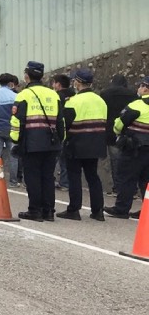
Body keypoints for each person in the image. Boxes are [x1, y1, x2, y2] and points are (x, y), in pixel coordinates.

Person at [10, 61, 64, 221]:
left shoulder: (23, 95)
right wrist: (61, 140)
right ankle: (49, 211)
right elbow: (61, 121)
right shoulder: (54, 94)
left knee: (32, 176)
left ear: (26, 76)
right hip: (52, 142)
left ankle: (35, 210)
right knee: (48, 177)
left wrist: (16, 140)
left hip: (31, 142)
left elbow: (16, 121)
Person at [58, 69, 107, 221]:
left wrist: (62, 140)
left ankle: (74, 209)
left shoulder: (73, 101)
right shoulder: (101, 101)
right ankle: (98, 211)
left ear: (78, 83)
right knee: (93, 176)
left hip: (76, 144)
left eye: (74, 81)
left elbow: (65, 124)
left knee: (74, 176)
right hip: (96, 144)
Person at [104, 75, 149, 219]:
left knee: (126, 178)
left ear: (145, 88)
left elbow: (119, 124)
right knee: (146, 181)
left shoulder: (137, 105)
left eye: (141, 86)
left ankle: (121, 209)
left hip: (134, 149)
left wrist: (119, 134)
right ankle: (146, 210)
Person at [100, 74, 137, 196]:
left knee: (115, 161)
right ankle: (132, 188)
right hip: (129, 131)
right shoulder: (132, 94)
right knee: (130, 161)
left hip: (111, 130)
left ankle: (118, 187)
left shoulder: (105, 94)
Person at [51, 73, 75, 190]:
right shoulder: (75, 95)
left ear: (58, 84)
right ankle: (66, 182)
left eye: (54, 83)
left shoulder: (57, 96)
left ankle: (54, 180)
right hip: (74, 129)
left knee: (56, 157)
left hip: (60, 130)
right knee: (67, 159)